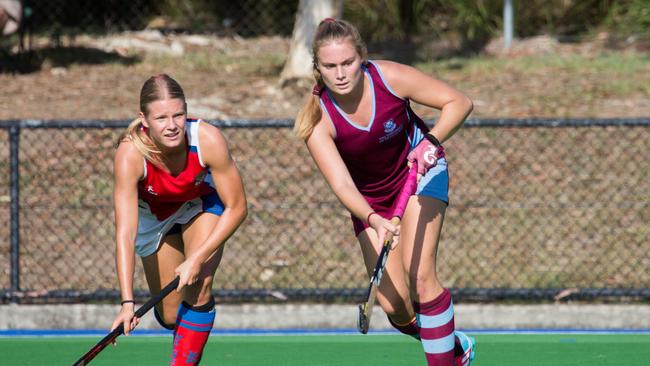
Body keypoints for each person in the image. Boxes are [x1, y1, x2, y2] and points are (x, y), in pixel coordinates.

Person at [294, 18, 475, 366]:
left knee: (421, 276)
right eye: (330, 66)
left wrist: (431, 142)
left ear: (361, 57)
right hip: (370, 203)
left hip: (420, 174)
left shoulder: (389, 78)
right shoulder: (317, 120)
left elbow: (459, 102)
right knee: (395, 307)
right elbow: (342, 185)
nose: (341, 73)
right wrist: (373, 219)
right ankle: (452, 344)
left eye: (348, 62)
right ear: (317, 69)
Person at [110, 74, 247, 365]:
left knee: (199, 285)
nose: (172, 125)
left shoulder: (207, 139)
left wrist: (196, 258)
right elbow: (125, 232)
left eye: (178, 115)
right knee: (172, 314)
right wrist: (127, 303)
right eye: (161, 118)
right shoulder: (130, 154)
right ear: (144, 119)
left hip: (200, 206)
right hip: (154, 219)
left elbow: (237, 207)